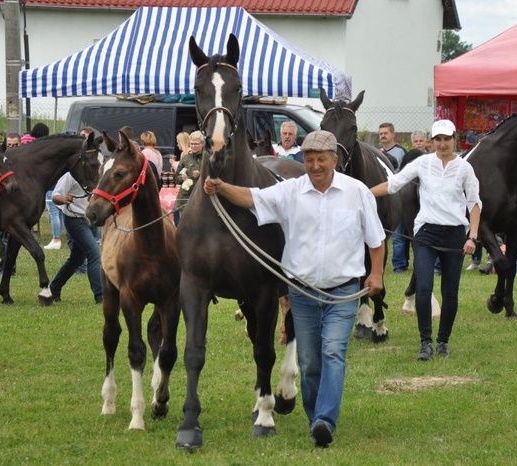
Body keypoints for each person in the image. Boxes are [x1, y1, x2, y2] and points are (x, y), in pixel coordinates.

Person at [203, 130, 385, 448]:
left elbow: (376, 240)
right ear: (303, 159)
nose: (315, 166)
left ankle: (325, 420)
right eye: (309, 159)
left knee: (333, 352)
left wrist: (377, 275)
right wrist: (220, 187)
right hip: (302, 292)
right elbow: (252, 198)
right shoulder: (290, 191)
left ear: (335, 160)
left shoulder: (357, 193)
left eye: (321, 160)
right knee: (310, 359)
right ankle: (316, 418)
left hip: (343, 291)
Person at [371, 119, 481, 361]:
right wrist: (364, 194)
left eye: (447, 139)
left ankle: (443, 341)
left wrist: (472, 236)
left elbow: (474, 203)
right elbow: (394, 184)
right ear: (431, 142)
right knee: (423, 288)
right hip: (426, 233)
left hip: (454, 235)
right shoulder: (422, 163)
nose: (442, 144)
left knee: (450, 292)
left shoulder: (464, 168)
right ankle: (425, 344)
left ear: (455, 140)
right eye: (438, 139)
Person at [43, 172, 102, 305]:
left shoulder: (100, 172)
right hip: (75, 220)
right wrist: (64, 200)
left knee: (76, 259)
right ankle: (101, 296)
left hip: (91, 219)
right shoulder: (70, 175)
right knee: (94, 254)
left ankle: (54, 289)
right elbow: (55, 196)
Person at [0, 134, 22, 278]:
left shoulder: (19, 162)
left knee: (8, 238)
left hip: (12, 204)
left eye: (15, 145)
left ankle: (8, 269)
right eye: (10, 145)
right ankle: (2, 266)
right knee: (0, 238)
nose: (12, 147)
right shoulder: (2, 160)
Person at [379, 123, 409, 273]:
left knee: (399, 234)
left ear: (393, 134)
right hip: (383, 197)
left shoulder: (401, 152)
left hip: (399, 197)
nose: (383, 135)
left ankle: (399, 266)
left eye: (385, 133)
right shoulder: (377, 152)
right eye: (381, 133)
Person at [174, 131, 206, 225]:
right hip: (185, 199)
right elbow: (176, 178)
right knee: (183, 226)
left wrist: (200, 175)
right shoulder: (185, 158)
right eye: (191, 144)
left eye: (196, 144)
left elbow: (214, 176)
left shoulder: (208, 158)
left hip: (202, 198)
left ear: (202, 144)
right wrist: (182, 178)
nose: (193, 146)